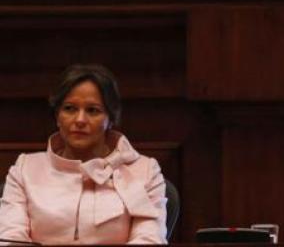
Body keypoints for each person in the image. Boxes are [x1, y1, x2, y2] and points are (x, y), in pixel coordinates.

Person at [0, 64, 168, 244]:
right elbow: (11, 239)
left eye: (92, 110)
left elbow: (149, 240)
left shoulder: (145, 170)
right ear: (57, 116)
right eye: (70, 108)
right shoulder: (25, 169)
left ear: (110, 118)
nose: (80, 120)